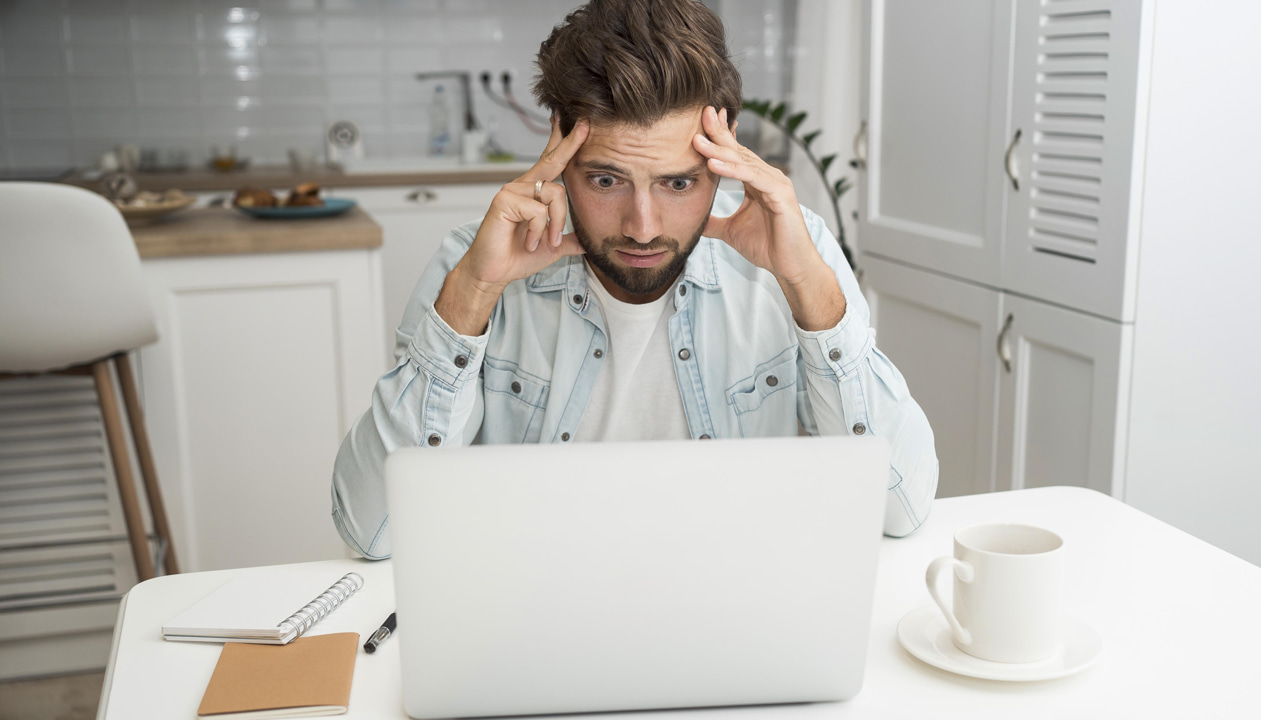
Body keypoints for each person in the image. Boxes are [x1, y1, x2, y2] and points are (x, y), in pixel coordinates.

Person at [332, 0, 938, 560]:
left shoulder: (793, 252)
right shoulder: (475, 262)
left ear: (722, 164)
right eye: (606, 181)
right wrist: (474, 294)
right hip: (536, 616)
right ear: (561, 160)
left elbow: (901, 507)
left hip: (732, 607)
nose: (643, 228)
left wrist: (810, 287)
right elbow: (372, 530)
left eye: (677, 184)